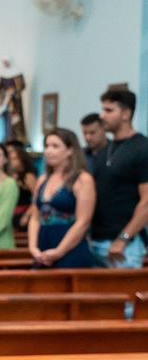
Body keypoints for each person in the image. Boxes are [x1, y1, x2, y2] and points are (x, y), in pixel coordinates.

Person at [89, 89, 148, 268]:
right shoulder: (104, 150)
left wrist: (123, 238)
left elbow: (147, 201)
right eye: (102, 110)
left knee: (125, 297)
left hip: (123, 246)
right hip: (95, 241)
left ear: (126, 113)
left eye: (108, 110)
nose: (101, 115)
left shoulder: (142, 148)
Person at [27, 129, 94, 269]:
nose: (48, 151)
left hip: (69, 247)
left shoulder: (82, 179)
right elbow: (34, 218)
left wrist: (59, 251)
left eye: (55, 146)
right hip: (43, 246)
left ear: (70, 150)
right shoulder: (43, 180)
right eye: (46, 146)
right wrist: (33, 248)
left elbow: (83, 222)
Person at [6, 141, 37, 229]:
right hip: (12, 214)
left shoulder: (29, 176)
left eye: (15, 158)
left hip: (24, 212)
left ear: (22, 159)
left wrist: (27, 215)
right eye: (11, 159)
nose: (12, 162)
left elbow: (36, 197)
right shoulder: (12, 176)